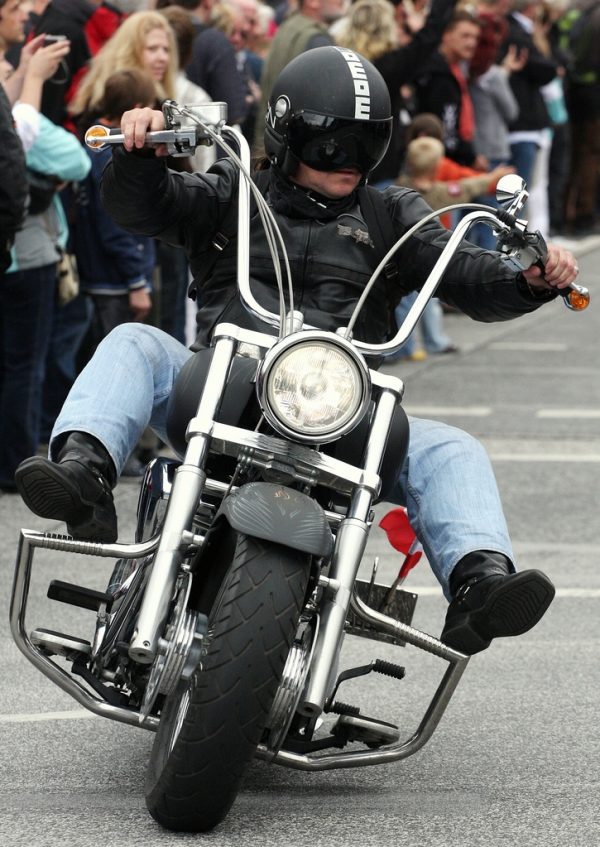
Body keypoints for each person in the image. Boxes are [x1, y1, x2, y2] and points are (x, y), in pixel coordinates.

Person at [15, 47, 579, 657]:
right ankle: (84, 474)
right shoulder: (235, 192)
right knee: (133, 342)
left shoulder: (392, 213)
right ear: (288, 134)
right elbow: (143, 207)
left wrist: (526, 280)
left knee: (453, 448)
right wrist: (141, 157)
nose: (351, 163)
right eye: (333, 146)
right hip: (222, 388)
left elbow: (463, 272)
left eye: (368, 147)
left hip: (341, 414)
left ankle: (480, 581)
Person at [0, 37, 91, 491]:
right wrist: (31, 79)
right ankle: (16, 463)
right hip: (26, 256)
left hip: (24, 253)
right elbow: (75, 159)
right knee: (25, 364)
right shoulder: (17, 122)